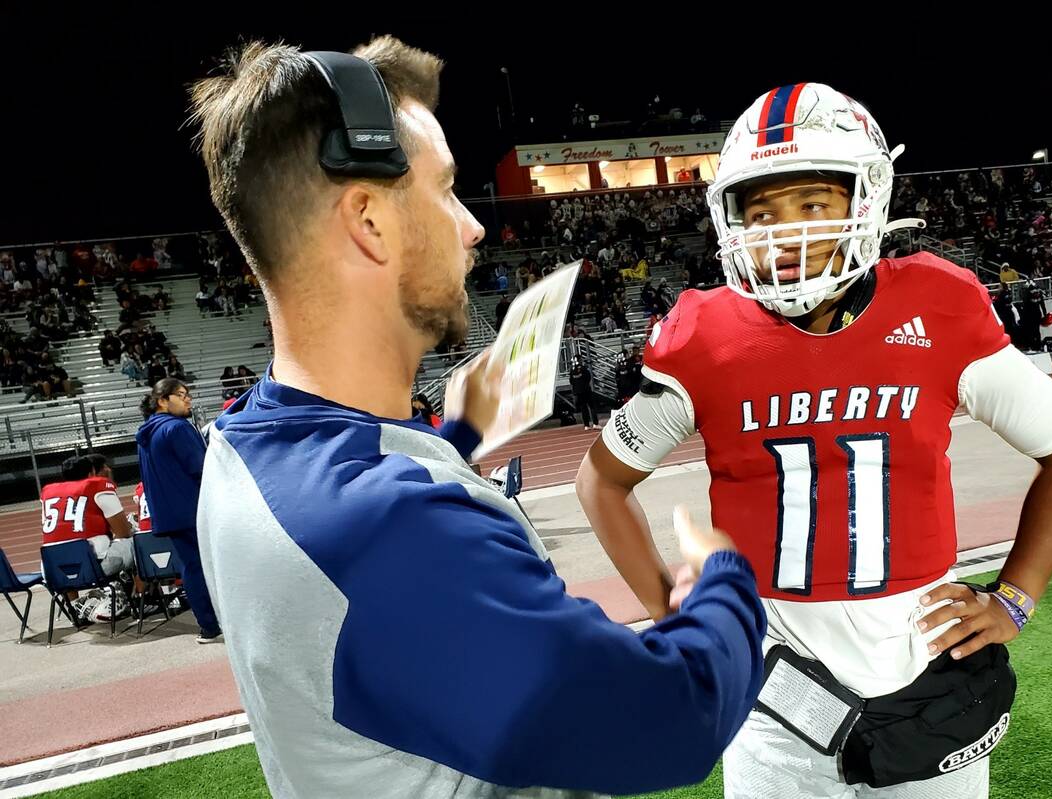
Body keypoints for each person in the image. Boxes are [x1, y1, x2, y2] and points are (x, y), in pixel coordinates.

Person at [187, 38, 766, 798]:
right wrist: (720, 577)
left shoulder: (239, 443)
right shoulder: (393, 526)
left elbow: (346, 484)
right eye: (448, 189)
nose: (474, 227)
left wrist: (456, 434)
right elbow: (671, 720)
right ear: (369, 220)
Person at [576, 83, 1052, 799]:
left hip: (924, 670)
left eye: (812, 205)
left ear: (866, 199)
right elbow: (601, 479)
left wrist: (1014, 597)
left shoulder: (936, 306)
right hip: (775, 688)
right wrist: (673, 615)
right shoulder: (705, 336)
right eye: (760, 211)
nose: (782, 233)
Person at [136, 378, 222, 644]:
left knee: (191, 567)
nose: (188, 400)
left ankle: (208, 626)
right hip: (195, 508)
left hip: (170, 513)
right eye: (181, 395)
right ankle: (216, 623)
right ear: (163, 400)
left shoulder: (145, 434)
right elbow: (202, 467)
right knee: (211, 567)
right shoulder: (177, 427)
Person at [41, 453, 135, 578]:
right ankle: (139, 590)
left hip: (52, 569)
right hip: (92, 567)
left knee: (65, 548)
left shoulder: (48, 492)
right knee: (137, 542)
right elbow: (123, 533)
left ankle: (72, 598)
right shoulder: (97, 485)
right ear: (91, 474)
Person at [569, 357, 598, 430]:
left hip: (578, 392)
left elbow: (571, 381)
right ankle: (595, 423)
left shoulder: (572, 370)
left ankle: (586, 425)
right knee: (592, 406)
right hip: (586, 390)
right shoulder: (583, 368)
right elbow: (588, 377)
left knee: (583, 408)